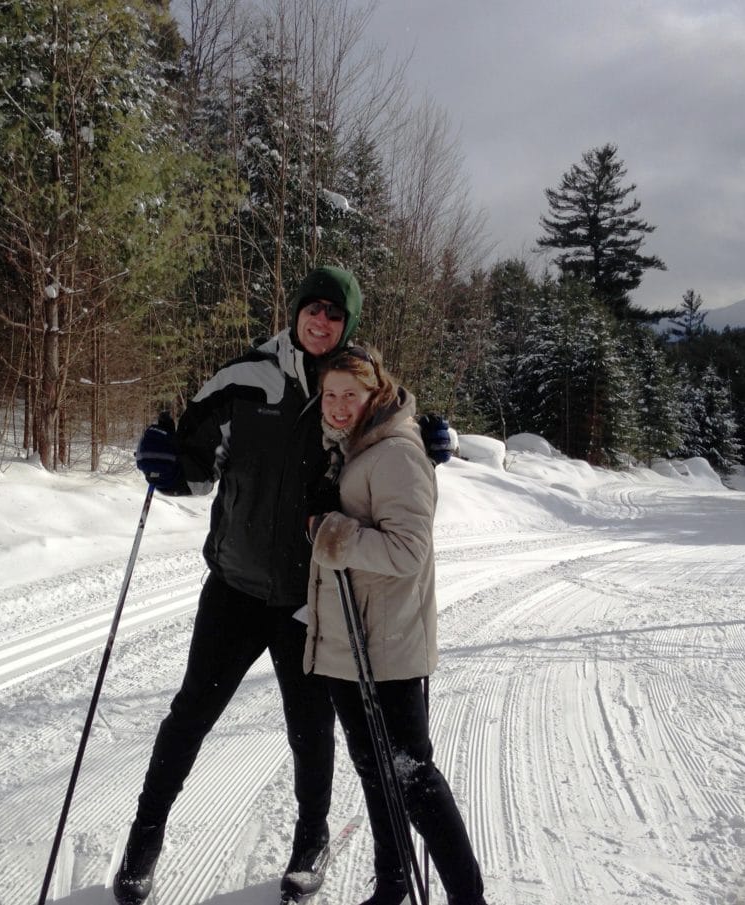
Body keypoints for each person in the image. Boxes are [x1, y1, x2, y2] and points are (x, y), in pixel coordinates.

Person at [116, 266, 364, 905]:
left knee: (310, 726)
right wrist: (164, 463)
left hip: (310, 596)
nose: (321, 322)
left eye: (335, 315)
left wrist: (431, 444)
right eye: (313, 309)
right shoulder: (244, 378)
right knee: (190, 715)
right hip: (235, 585)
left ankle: (311, 840)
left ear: (348, 325)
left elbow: (398, 442)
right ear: (296, 312)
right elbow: (196, 469)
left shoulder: (359, 389)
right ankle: (144, 840)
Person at [304, 346, 488, 905]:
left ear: (375, 393)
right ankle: (391, 885)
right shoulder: (351, 446)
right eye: (330, 394)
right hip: (346, 637)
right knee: (374, 770)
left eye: (350, 395)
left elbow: (409, 551)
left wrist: (332, 532)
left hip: (385, 642)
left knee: (411, 775)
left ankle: (467, 897)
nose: (337, 406)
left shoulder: (396, 454)